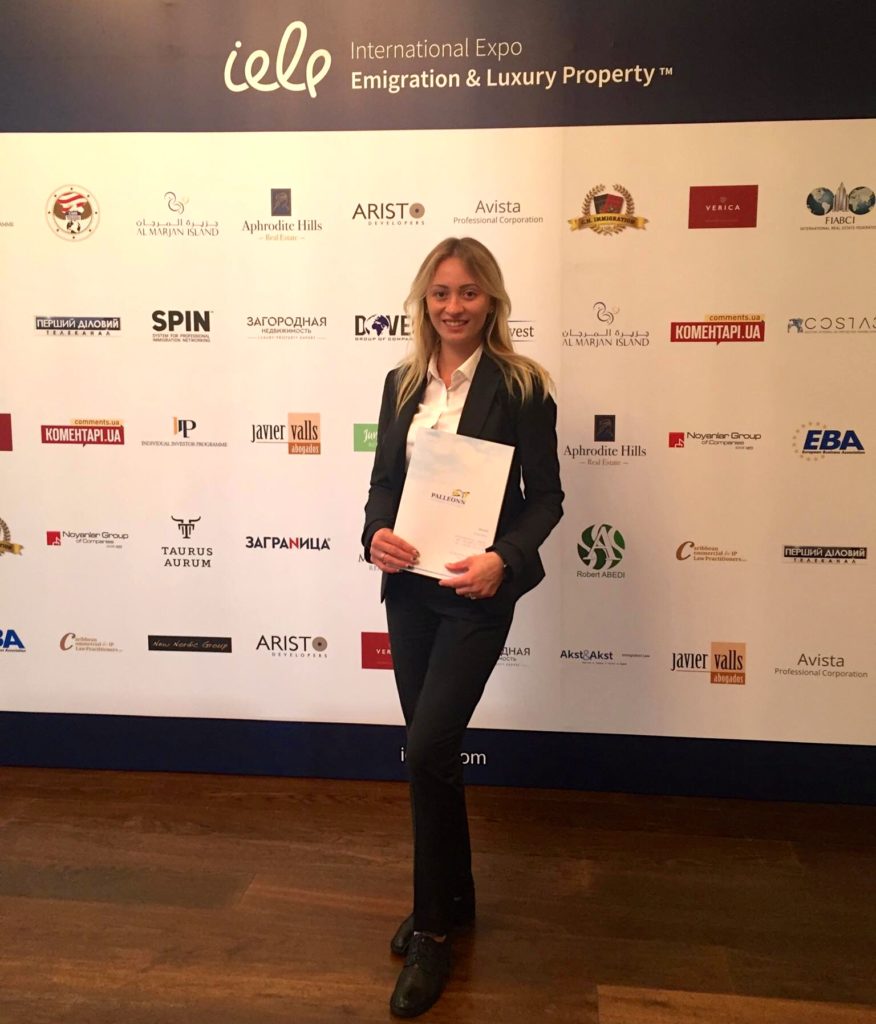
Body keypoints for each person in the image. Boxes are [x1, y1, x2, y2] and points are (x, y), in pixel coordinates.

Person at [362, 237, 563, 1017]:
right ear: (425, 300)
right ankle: (456, 894)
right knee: (434, 756)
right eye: (441, 292)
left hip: (475, 593)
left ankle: (433, 934)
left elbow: (547, 499)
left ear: (492, 301)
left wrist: (503, 560)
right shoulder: (401, 383)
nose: (454, 306)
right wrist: (375, 534)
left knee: (426, 749)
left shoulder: (523, 386)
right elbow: (384, 482)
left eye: (469, 293)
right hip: (410, 592)